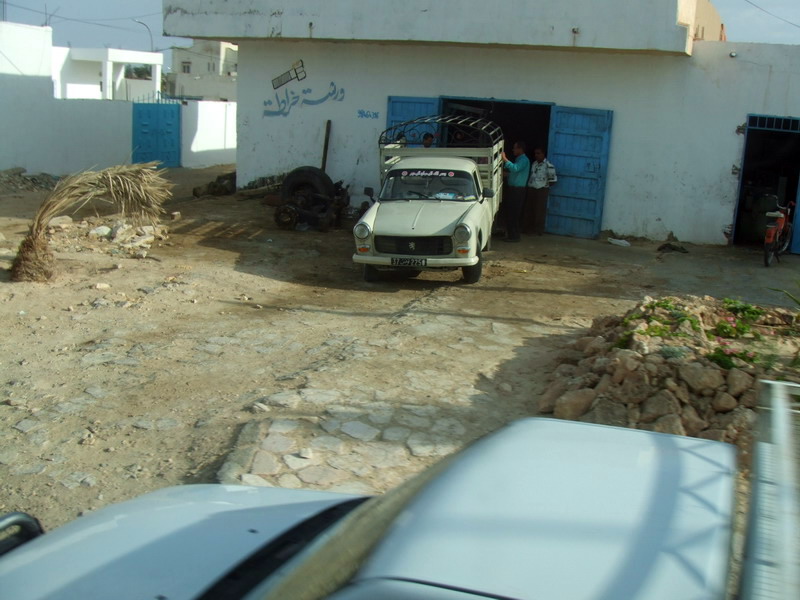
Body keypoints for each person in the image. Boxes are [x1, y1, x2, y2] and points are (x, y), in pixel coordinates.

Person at [500, 141, 530, 242]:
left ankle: (514, 236)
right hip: (514, 189)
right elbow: (515, 173)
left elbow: (515, 168)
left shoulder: (524, 160)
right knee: (510, 212)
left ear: (520, 149)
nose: (513, 150)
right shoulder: (519, 159)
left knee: (514, 213)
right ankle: (511, 235)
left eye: (515, 148)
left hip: (518, 190)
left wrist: (505, 159)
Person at [526, 147, 557, 235]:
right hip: (532, 189)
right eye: (535, 153)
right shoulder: (534, 164)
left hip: (541, 190)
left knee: (539, 211)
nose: (536, 155)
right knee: (530, 210)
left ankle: (538, 230)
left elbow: (553, 181)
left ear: (543, 154)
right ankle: (529, 228)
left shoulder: (548, 166)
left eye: (538, 153)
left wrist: (544, 186)